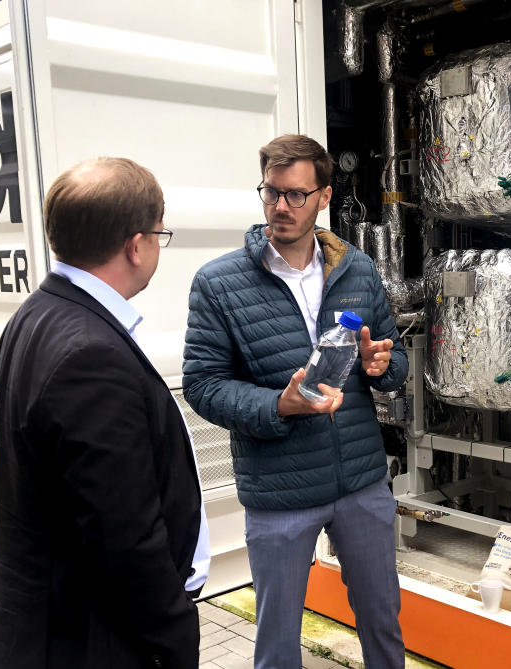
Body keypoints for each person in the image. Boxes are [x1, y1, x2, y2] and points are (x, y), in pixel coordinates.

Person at [183, 134, 407, 668]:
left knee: (383, 623)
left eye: (296, 195)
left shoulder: (357, 269)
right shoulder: (219, 283)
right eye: (271, 193)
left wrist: (382, 366)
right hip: (280, 490)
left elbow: (393, 362)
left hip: (360, 482)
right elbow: (203, 385)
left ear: (324, 196)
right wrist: (278, 406)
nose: (280, 207)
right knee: (278, 643)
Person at [0, 157, 209, 669]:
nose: (158, 245)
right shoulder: (91, 356)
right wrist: (175, 635)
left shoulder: (36, 314)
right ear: (135, 245)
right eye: (159, 233)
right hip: (91, 643)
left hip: (51, 627)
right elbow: (125, 540)